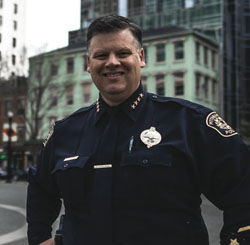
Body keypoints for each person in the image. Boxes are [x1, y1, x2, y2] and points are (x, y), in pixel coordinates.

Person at [27, 14, 250, 245]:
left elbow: (243, 192)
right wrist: (39, 238)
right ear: (88, 63)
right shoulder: (65, 132)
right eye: (101, 55)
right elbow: (41, 190)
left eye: (123, 53)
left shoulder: (189, 123)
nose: (112, 62)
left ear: (140, 57)